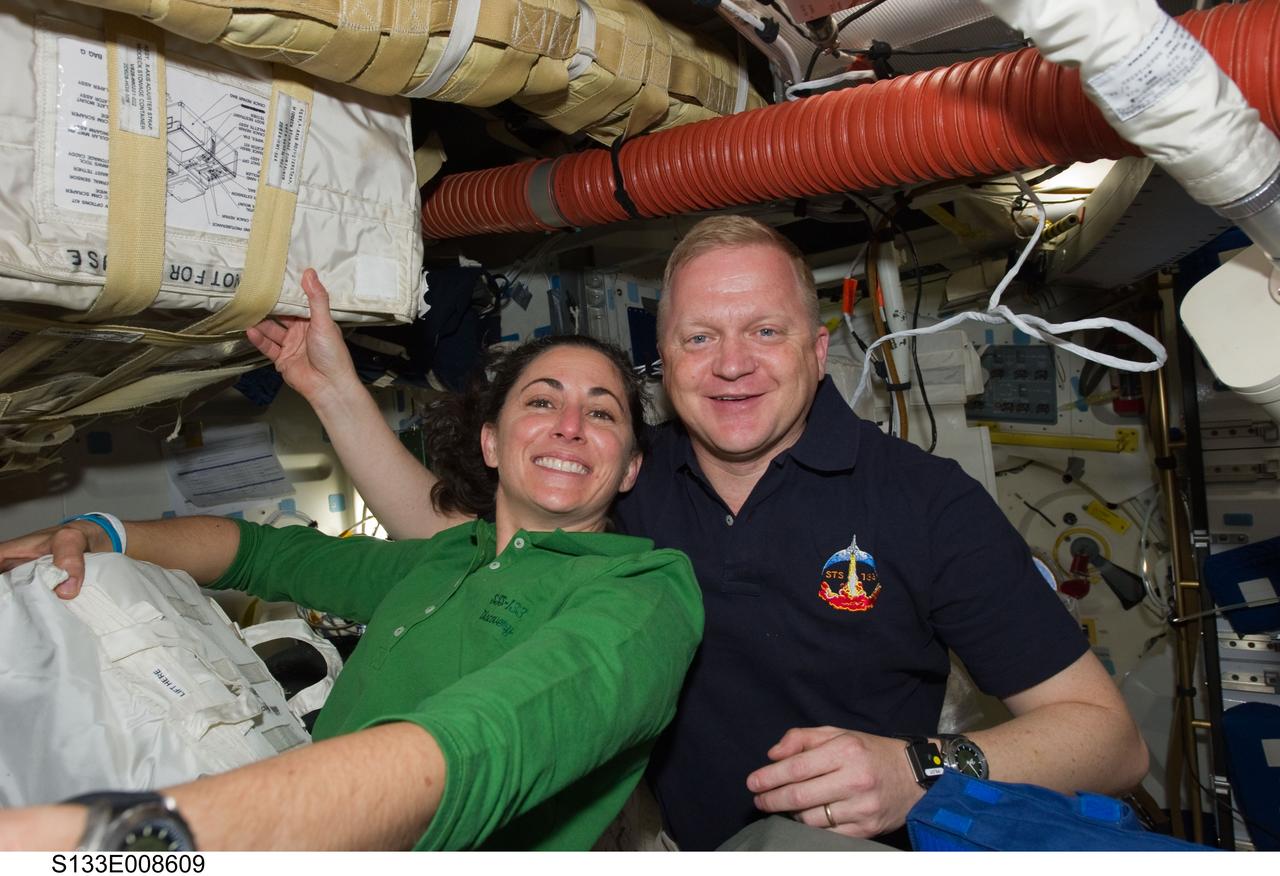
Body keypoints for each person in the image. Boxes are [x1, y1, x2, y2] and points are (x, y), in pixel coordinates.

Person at [107, 222, 1152, 850]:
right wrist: (334, 393)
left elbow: (1107, 740)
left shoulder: (921, 504)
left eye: (763, 332)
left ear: (817, 346)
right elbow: (461, 539)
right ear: (665, 355)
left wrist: (923, 765)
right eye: (699, 335)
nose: (730, 362)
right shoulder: (628, 483)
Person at [0, 287, 703, 851]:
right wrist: (102, 532)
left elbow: (484, 742)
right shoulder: (444, 558)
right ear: (492, 442)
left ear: (632, 466)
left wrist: (136, 834)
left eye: (602, 413)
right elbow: (260, 551)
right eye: (542, 401)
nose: (569, 426)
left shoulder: (645, 591)